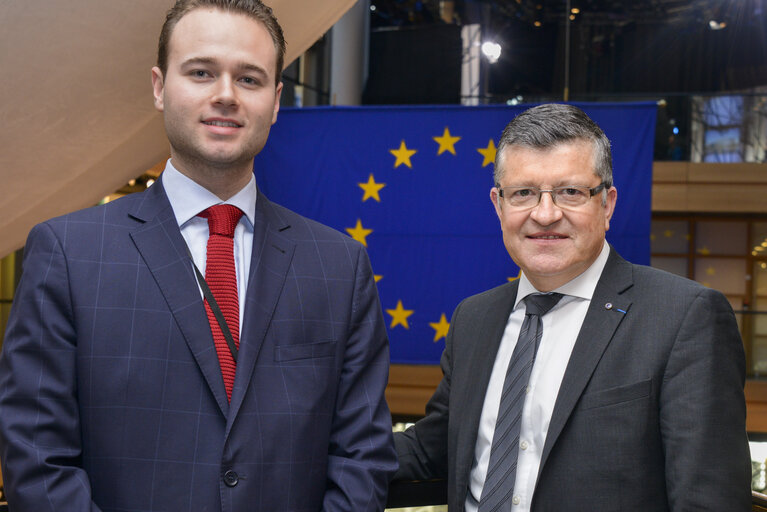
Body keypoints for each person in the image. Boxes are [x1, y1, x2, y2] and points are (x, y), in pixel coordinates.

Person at [0, 1, 397, 510]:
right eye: (202, 72)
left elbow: (361, 458)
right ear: (160, 86)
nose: (225, 95)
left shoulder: (339, 266)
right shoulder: (69, 254)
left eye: (249, 79)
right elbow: (40, 462)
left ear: (276, 101)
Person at [393, 103, 751, 511]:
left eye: (571, 192)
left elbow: (709, 500)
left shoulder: (685, 318)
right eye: (523, 193)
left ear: (608, 204)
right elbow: (432, 449)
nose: (546, 215)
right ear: (498, 205)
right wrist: (314, 448)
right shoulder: (473, 319)